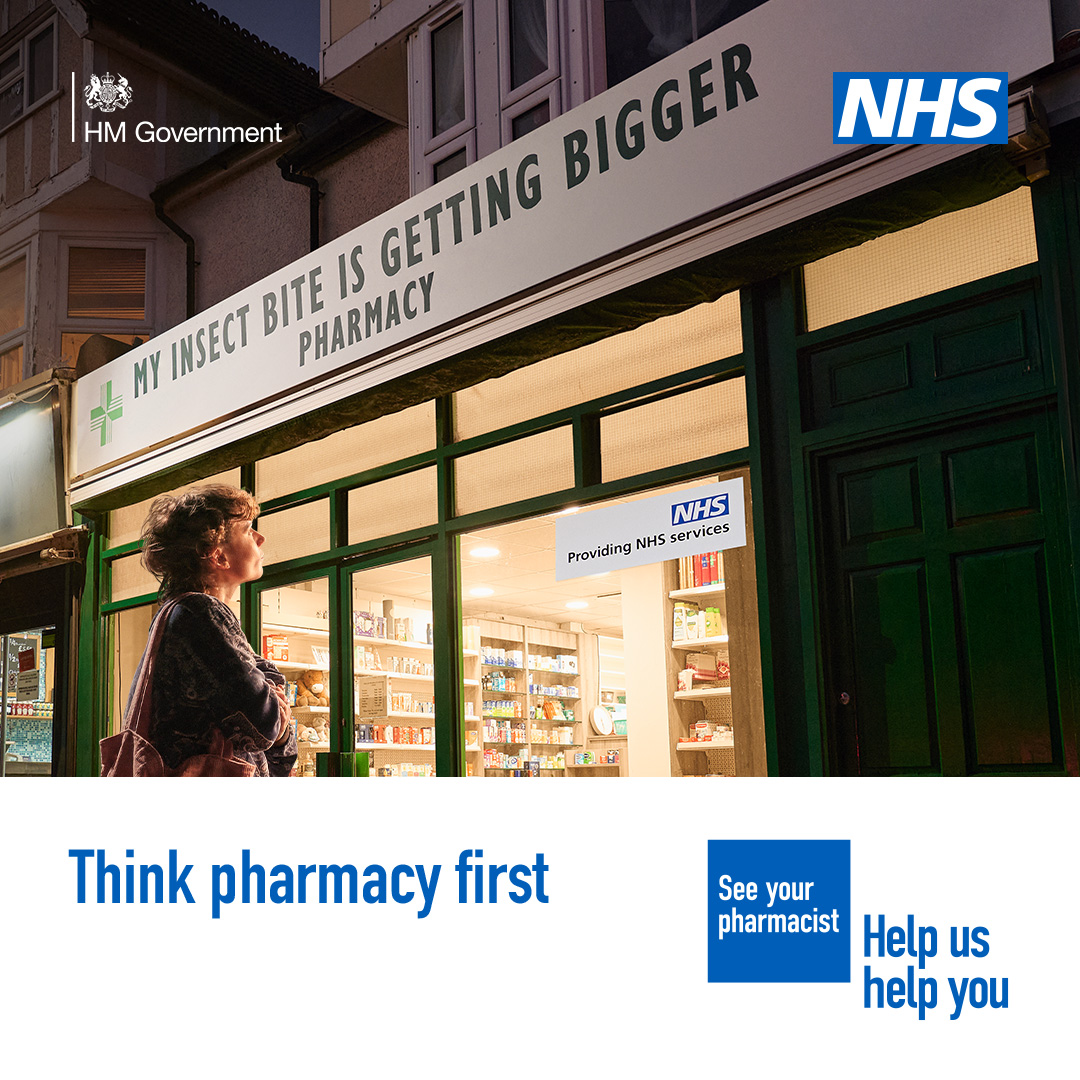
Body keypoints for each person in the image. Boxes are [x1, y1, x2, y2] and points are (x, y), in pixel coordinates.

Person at [130, 483, 297, 777]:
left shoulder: (180, 614)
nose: (261, 538)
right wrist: (272, 695)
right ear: (218, 556)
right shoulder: (202, 613)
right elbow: (265, 725)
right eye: (247, 530)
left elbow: (276, 750)